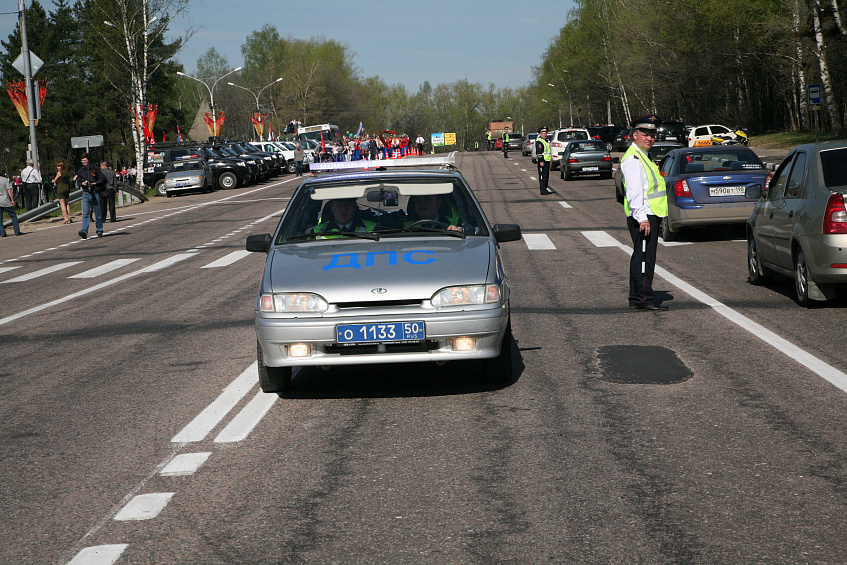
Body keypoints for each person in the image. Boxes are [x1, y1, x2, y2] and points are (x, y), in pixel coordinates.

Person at [621, 114, 669, 311]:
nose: (649, 138)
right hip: (643, 216)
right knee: (643, 258)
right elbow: (634, 192)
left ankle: (640, 296)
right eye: (644, 134)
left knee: (646, 257)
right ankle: (641, 299)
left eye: (652, 134)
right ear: (634, 135)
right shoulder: (633, 159)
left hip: (649, 214)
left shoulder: (643, 156)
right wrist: (642, 218)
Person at [76, 154, 105, 239]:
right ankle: (84, 231)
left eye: (85, 160)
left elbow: (102, 178)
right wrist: (82, 183)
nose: (84, 162)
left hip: (95, 192)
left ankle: (99, 230)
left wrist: (95, 183)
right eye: (82, 161)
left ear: (88, 160)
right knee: (86, 213)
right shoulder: (81, 171)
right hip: (86, 193)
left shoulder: (95, 169)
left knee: (98, 213)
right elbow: (78, 181)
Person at [0, 172, 22, 237]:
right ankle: (17, 231)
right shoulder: (4, 180)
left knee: (0, 218)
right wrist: (12, 200)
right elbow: (9, 190)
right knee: (13, 215)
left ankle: (2, 233)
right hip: (5, 200)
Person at [534, 126, 554, 195]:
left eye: (545, 133)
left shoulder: (546, 141)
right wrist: (541, 161)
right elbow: (539, 152)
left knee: (546, 176)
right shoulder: (539, 141)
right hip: (542, 161)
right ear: (540, 134)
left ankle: (545, 188)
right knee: (543, 176)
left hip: (547, 160)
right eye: (543, 133)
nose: (545, 134)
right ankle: (543, 190)